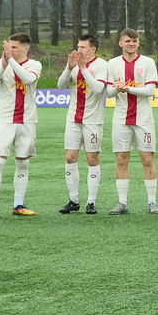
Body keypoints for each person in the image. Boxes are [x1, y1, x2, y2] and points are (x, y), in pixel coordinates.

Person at [102, 28, 158, 214]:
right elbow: (109, 92)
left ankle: (152, 202)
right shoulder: (112, 64)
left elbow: (150, 91)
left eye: (134, 41)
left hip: (144, 119)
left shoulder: (147, 62)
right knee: (121, 158)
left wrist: (128, 88)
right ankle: (122, 202)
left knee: (147, 158)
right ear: (121, 43)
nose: (131, 44)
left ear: (139, 43)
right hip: (121, 118)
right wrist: (117, 89)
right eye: (127, 41)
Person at [0, 33, 42, 217]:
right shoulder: (0, 63)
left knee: (23, 163)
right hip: (5, 120)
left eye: (14, 47)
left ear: (26, 49)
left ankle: (18, 204)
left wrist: (10, 61)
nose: (10, 50)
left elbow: (27, 79)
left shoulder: (35, 65)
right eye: (9, 47)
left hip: (27, 120)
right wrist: (3, 66)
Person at [57, 34, 109, 213]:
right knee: (70, 157)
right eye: (78, 46)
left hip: (93, 120)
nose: (79, 50)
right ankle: (74, 200)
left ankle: (91, 202)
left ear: (93, 49)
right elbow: (60, 86)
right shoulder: (73, 65)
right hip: (73, 118)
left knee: (92, 159)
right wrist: (68, 68)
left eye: (83, 47)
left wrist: (84, 69)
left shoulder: (101, 65)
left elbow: (98, 88)